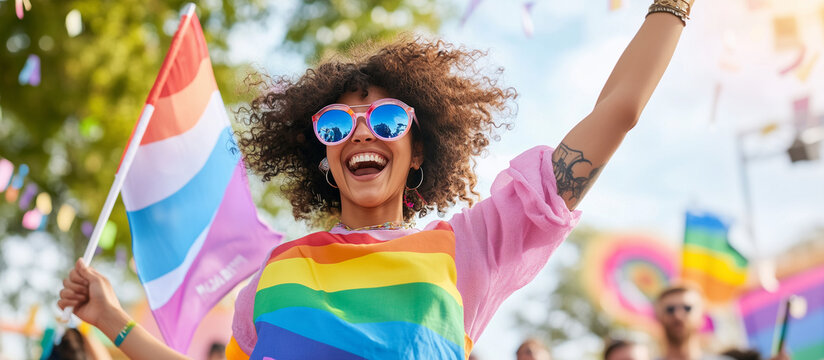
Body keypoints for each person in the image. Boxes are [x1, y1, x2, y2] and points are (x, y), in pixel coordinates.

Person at [58, 0, 696, 358]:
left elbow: (619, 113)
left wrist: (672, 6)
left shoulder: (469, 249)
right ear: (325, 158)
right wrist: (109, 317)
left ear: (418, 151)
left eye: (388, 118)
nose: (363, 133)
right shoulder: (275, 275)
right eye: (337, 126)